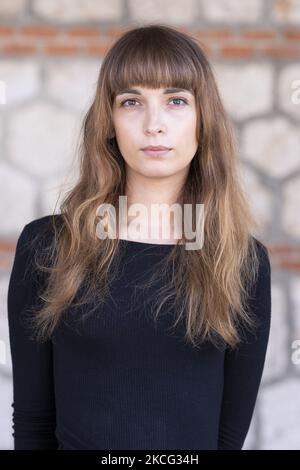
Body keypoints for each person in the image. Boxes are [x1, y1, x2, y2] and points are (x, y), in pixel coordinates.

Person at [7, 24, 271, 450]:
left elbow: (228, 435)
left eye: (176, 101)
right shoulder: (49, 246)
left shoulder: (240, 259)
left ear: (204, 120)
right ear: (109, 122)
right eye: (132, 101)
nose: (154, 124)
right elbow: (34, 424)